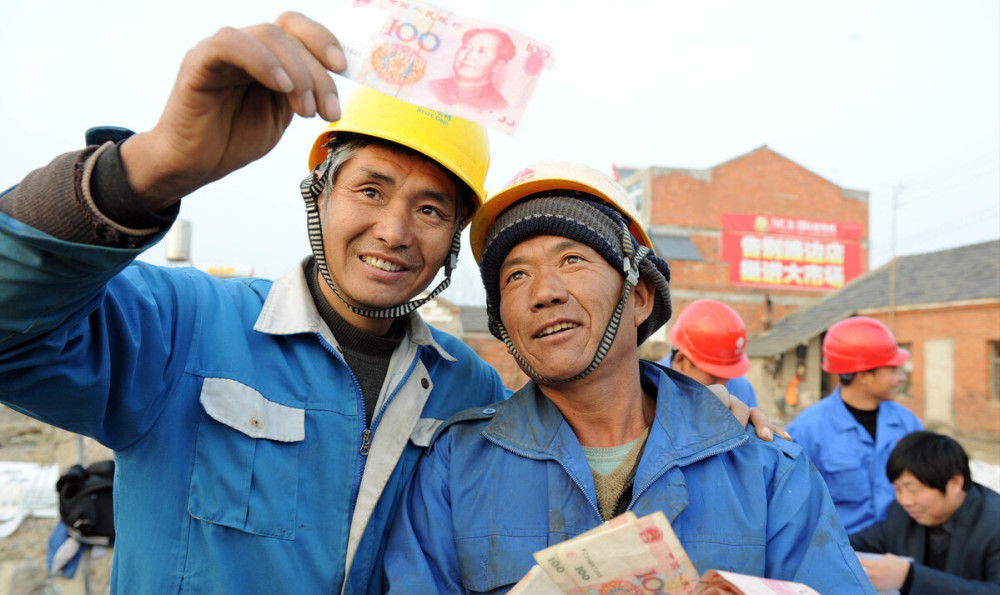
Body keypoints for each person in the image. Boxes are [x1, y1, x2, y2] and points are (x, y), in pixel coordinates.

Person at [0, 13, 512, 594]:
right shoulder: (184, 326)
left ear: (453, 236)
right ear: (319, 196)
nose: (395, 231)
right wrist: (150, 168)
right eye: (371, 190)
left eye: (430, 210)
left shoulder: (469, 391)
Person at [383, 162, 874, 594]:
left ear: (639, 297)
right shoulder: (455, 467)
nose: (544, 292)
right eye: (516, 276)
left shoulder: (764, 470)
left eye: (572, 259)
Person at [787, 316, 924, 534]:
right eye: (893, 370)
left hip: (901, 550)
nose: (901, 378)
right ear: (864, 375)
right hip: (842, 555)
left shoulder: (908, 424)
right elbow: (792, 508)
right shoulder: (808, 431)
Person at [849, 431, 1000, 594]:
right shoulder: (901, 513)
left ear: (955, 483)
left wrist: (910, 578)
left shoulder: (994, 524)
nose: (904, 500)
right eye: (897, 489)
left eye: (913, 489)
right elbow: (861, 541)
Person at [658, 298, 759, 407]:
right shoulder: (651, 388)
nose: (723, 387)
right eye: (714, 375)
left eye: (728, 376)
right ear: (681, 361)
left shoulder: (743, 389)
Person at [427, 27, 515, 110]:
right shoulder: (431, 87)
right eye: (466, 48)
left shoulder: (497, 106)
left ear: (497, 65)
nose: (468, 56)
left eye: (481, 52)